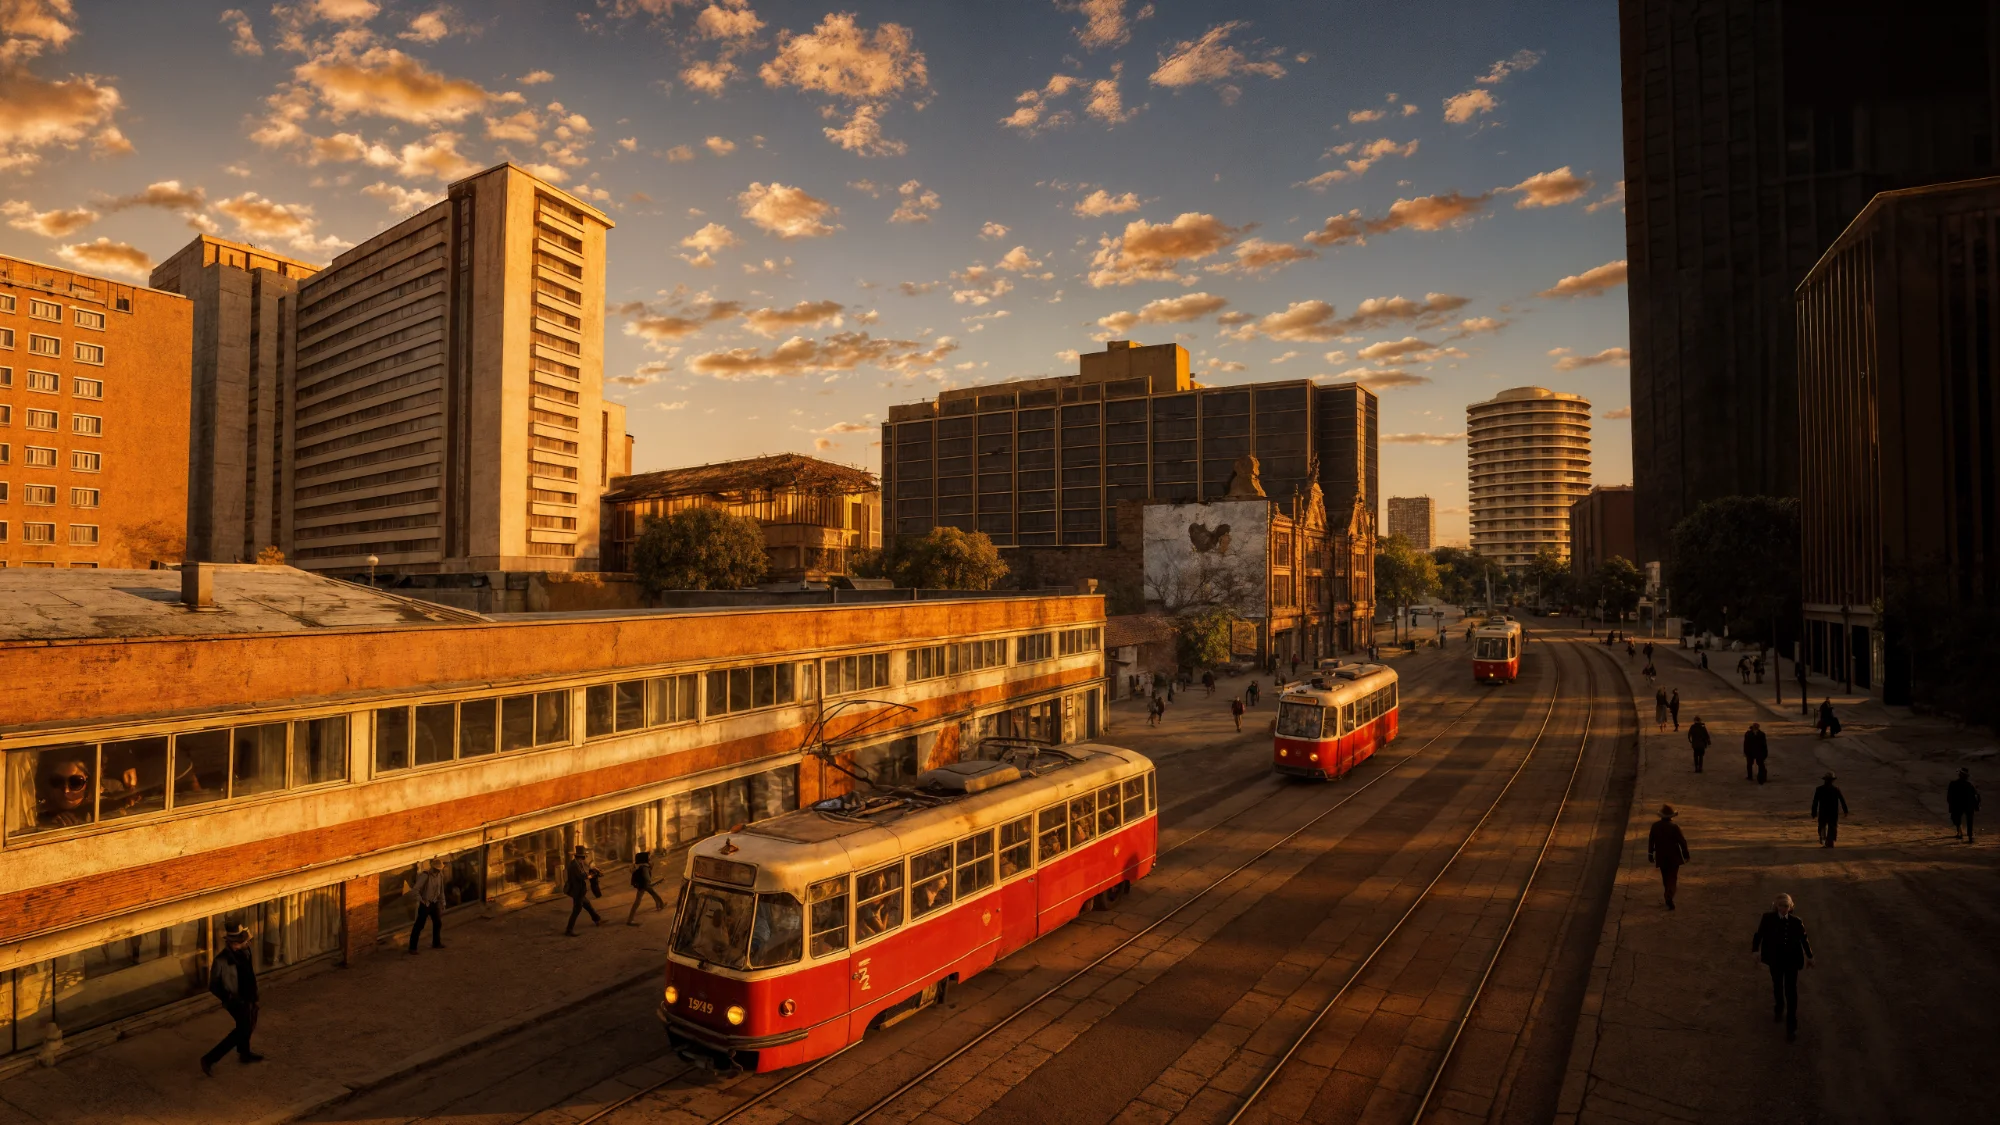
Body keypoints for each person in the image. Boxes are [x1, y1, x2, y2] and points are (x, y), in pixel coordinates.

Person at [200, 923, 263, 1075]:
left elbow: (249, 973)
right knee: (242, 1030)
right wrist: (228, 997)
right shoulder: (221, 960)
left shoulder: (246, 951)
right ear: (234, 943)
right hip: (235, 1000)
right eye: (243, 941)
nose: (247, 943)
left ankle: (244, 1053)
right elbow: (213, 985)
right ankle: (209, 1059)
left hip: (249, 996)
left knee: (251, 1023)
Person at [1751, 893, 1814, 1041]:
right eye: (1781, 905)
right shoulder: (1767, 919)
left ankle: (1791, 1027)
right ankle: (1779, 1008)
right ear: (1776, 906)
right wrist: (1755, 950)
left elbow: (1804, 940)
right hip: (1775, 960)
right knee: (1778, 986)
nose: (1783, 909)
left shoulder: (1797, 922)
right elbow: (1758, 935)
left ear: (1791, 907)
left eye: (1786, 906)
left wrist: (1810, 956)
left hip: (1792, 961)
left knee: (1791, 991)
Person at [1647, 805, 1689, 909]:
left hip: (1661, 855)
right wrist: (1685, 854)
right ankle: (1669, 895)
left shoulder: (1655, 826)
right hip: (1674, 856)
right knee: (1672, 877)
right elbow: (1682, 841)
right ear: (1671, 816)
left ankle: (1667, 895)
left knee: (1665, 877)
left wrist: (1650, 854)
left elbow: (1651, 841)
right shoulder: (1674, 827)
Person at [407, 858, 446, 954]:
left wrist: (442, 902)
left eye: (439, 869)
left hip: (435, 902)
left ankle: (436, 943)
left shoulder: (440, 876)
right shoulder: (425, 876)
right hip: (426, 903)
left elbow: (441, 890)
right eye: (437, 869)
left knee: (438, 923)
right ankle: (412, 948)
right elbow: (415, 890)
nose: (438, 871)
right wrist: (422, 900)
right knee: (419, 925)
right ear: (433, 868)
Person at [563, 844, 602, 935]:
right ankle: (569, 930)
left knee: (588, 905)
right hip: (577, 891)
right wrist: (592, 876)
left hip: (580, 890)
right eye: (584, 855)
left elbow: (585, 870)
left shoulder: (577, 863)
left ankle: (597, 920)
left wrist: (594, 870)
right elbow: (582, 876)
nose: (585, 856)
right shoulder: (574, 866)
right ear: (581, 856)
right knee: (577, 910)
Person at [1811, 772, 1850, 847]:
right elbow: (1842, 800)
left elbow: (1815, 802)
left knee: (1822, 826)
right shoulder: (1835, 789)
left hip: (1823, 811)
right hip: (1833, 812)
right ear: (1833, 781)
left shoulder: (1819, 789)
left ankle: (1825, 841)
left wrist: (1814, 812)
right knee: (1832, 827)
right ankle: (1830, 842)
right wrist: (1845, 811)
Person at [627, 849, 666, 924]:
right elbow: (647, 879)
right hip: (644, 886)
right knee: (638, 902)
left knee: (654, 894)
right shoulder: (644, 868)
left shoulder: (640, 866)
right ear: (644, 859)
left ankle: (660, 905)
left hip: (642, 885)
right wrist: (653, 883)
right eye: (648, 857)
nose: (649, 858)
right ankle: (629, 920)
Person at [1948, 769, 1979, 842]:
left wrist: (1951, 805)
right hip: (1967, 805)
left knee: (1956, 819)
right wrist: (1976, 806)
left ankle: (1961, 833)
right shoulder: (1969, 785)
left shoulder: (1954, 784)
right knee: (1969, 821)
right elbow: (1976, 796)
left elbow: (1949, 796)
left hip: (1959, 805)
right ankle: (1969, 836)